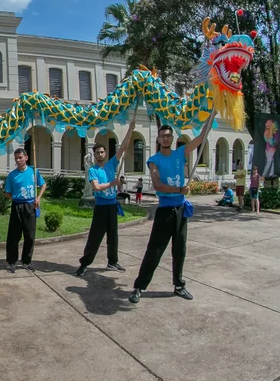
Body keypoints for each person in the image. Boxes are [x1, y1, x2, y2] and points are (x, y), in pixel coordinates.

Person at [129, 122, 210, 304]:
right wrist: (178, 189)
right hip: (165, 211)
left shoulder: (180, 154)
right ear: (158, 139)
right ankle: (139, 287)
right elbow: (157, 184)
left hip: (181, 210)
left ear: (172, 138)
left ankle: (179, 285)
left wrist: (207, 124)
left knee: (180, 250)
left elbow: (200, 139)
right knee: (155, 250)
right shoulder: (154, 160)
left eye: (168, 135)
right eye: (162, 136)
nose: (165, 138)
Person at [76, 120, 136, 276]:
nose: (100, 154)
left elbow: (123, 147)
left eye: (102, 152)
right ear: (95, 155)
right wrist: (113, 183)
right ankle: (85, 263)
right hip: (101, 207)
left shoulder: (111, 165)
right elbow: (96, 187)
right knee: (95, 237)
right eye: (98, 152)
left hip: (112, 205)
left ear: (105, 153)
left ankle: (112, 262)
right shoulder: (93, 170)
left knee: (113, 235)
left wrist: (130, 129)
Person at [4, 147, 46, 273]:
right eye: (16, 158)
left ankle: (26, 261)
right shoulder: (12, 175)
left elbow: (43, 185)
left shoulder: (33, 172)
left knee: (30, 235)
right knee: (14, 235)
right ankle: (11, 261)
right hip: (17, 206)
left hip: (30, 206)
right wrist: (16, 199)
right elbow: (7, 193)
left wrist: (38, 198)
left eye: (20, 157)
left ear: (26, 158)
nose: (18, 160)